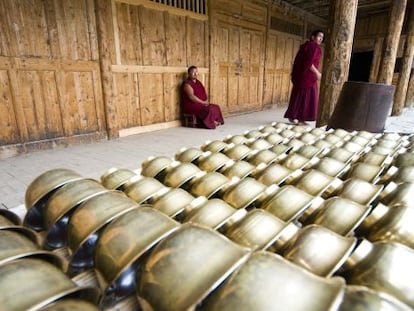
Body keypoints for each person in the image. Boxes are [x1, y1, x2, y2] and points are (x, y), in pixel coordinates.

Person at [284, 30, 324, 126]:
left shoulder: (306, 46)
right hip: (307, 77)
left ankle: (293, 116)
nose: (320, 39)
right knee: (306, 98)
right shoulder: (313, 46)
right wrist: (317, 73)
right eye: (319, 36)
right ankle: (301, 119)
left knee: (298, 96)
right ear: (313, 36)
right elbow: (309, 63)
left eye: (322, 38)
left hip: (302, 76)